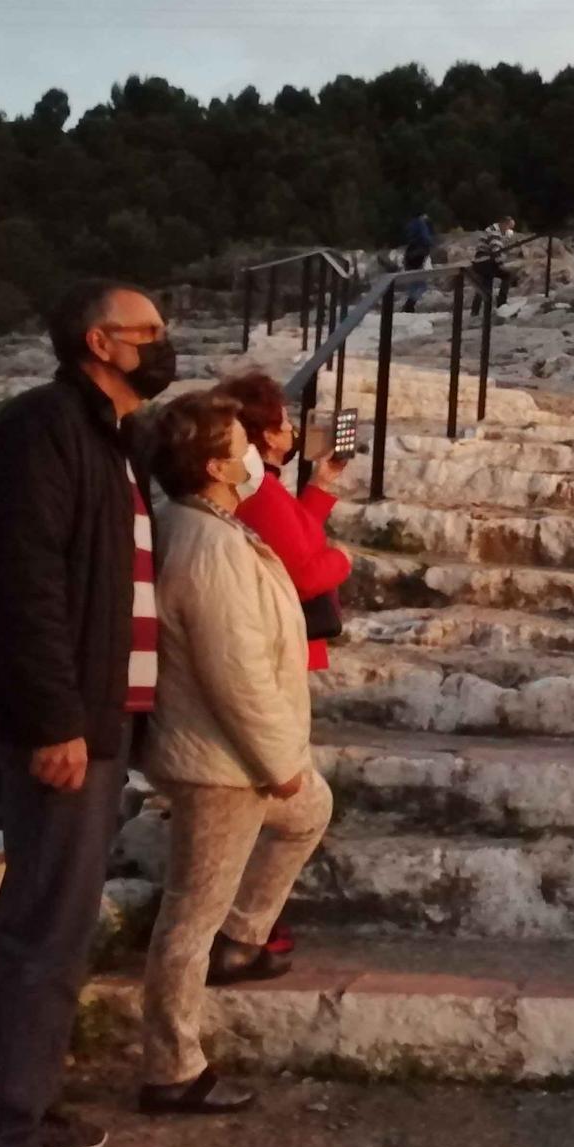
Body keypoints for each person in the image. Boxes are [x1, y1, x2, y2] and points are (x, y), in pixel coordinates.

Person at [0, 281, 176, 1147]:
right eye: (149, 331)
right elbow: (23, 584)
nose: (164, 342)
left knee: (49, 925)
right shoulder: (43, 428)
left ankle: (5, 1111)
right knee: (46, 931)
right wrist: (53, 722)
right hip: (66, 726)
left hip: (98, 720)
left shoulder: (109, 437)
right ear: (98, 342)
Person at [136, 390, 333, 1116]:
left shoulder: (197, 525)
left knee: (312, 813)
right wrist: (278, 762)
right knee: (189, 917)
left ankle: (245, 937)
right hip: (223, 764)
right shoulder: (209, 545)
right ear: (219, 464)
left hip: (229, 755)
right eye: (238, 443)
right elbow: (235, 671)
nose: (253, 452)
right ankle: (172, 1067)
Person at [218, 371, 353, 958]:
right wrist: (343, 562)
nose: (294, 429)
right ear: (268, 432)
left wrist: (322, 487)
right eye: (284, 420)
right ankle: (243, 926)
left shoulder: (264, 490)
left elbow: (293, 538)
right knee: (287, 795)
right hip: (273, 650)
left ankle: (243, 922)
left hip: (275, 643)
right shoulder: (260, 493)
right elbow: (301, 568)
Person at [472, 215, 517, 307]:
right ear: (504, 224)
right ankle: (501, 303)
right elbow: (496, 250)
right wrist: (501, 264)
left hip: (482, 262)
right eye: (509, 227)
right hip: (485, 262)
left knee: (483, 285)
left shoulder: (493, 230)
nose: (508, 231)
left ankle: (475, 310)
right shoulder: (495, 232)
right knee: (506, 275)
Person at [400, 213, 435, 311]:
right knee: (420, 284)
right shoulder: (420, 224)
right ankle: (409, 306)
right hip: (417, 255)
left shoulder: (413, 224)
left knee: (416, 283)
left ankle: (409, 306)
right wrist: (430, 245)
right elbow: (426, 239)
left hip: (412, 255)